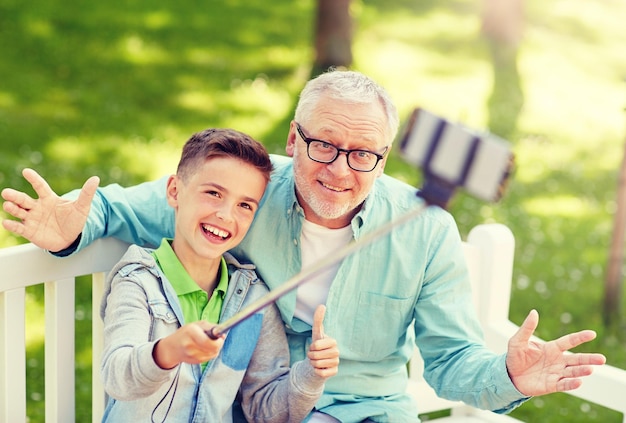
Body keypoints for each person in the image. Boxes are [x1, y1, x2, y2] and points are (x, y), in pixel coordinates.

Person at [1, 70, 606, 423]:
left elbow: (450, 365)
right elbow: (124, 209)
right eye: (323, 146)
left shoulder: (423, 227)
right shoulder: (247, 193)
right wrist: (69, 231)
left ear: (385, 156)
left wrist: (511, 376)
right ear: (294, 137)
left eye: (364, 154)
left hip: (373, 412)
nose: (341, 171)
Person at [97, 128, 339, 422]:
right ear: (175, 191)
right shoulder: (138, 281)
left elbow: (265, 411)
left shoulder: (253, 300)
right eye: (213, 193)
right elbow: (118, 376)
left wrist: (310, 376)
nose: (226, 215)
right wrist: (168, 351)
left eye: (244, 205)